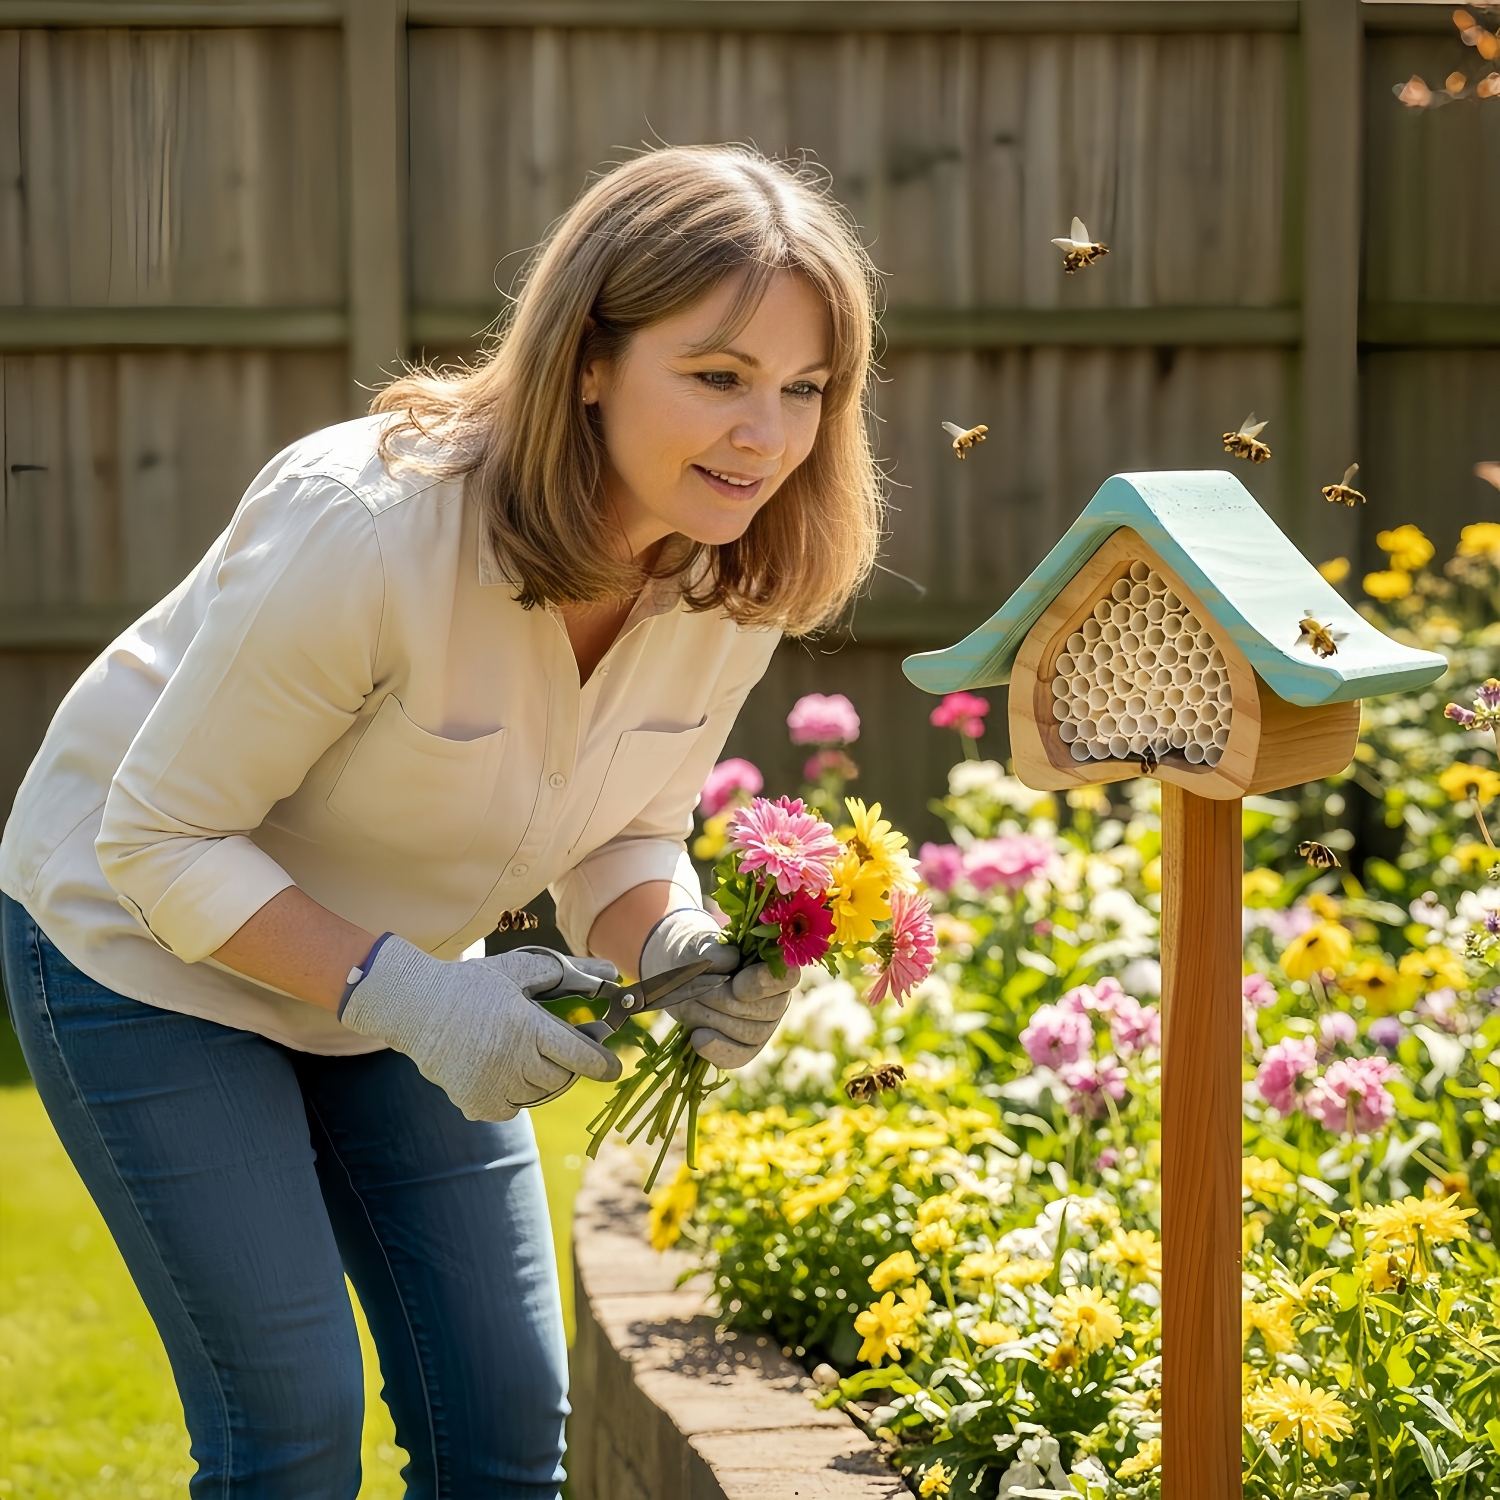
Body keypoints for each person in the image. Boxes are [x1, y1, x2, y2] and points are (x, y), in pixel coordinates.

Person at [0, 145, 883, 1499]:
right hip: (140, 954)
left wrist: (681, 947)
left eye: (804, 388)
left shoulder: (732, 573)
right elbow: (160, 841)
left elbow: (624, 833)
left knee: (506, 1428)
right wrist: (420, 1004)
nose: (766, 434)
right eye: (717, 376)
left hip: (402, 973)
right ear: (589, 358)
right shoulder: (368, 526)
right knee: (291, 1428)